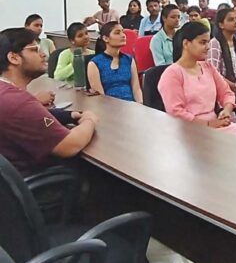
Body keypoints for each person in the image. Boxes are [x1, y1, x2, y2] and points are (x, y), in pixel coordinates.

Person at [0, 28, 98, 176]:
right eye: (34, 50)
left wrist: (70, 115)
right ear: (14, 58)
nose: (43, 54)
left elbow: (33, 116)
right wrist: (89, 119)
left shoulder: (6, 93)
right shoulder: (19, 102)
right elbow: (70, 145)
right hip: (35, 183)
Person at [159, 22, 236, 140]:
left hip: (214, 125)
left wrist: (227, 109)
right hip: (188, 130)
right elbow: (176, 112)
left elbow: (226, 93)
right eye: (203, 42)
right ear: (186, 44)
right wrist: (207, 125)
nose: (208, 47)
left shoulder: (208, 67)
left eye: (208, 42)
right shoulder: (172, 74)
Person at [87, 22, 142, 103]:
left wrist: (141, 106)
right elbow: (100, 98)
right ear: (106, 38)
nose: (123, 35)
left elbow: (136, 89)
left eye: (123, 32)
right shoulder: (94, 63)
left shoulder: (129, 59)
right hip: (109, 109)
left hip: (131, 107)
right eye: (117, 33)